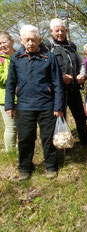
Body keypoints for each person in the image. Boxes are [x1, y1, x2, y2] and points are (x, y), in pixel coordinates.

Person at [5, 25, 63, 180]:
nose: (30, 43)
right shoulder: (16, 58)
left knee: (48, 138)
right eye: (27, 40)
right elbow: (11, 83)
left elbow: (57, 83)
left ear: (39, 40)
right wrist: (10, 105)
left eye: (33, 39)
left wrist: (58, 106)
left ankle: (51, 167)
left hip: (47, 105)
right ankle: (24, 168)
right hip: (24, 106)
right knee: (25, 138)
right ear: (21, 40)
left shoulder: (49, 57)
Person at [44, 18, 87, 145]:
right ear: (51, 31)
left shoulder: (72, 45)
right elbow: (44, 68)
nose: (60, 33)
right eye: (57, 31)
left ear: (66, 30)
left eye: (62, 30)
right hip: (58, 91)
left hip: (74, 88)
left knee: (80, 116)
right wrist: (61, 76)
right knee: (60, 117)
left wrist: (82, 74)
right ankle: (61, 142)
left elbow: (80, 63)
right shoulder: (46, 46)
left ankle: (85, 140)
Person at [0, 31, 17, 153]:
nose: (2, 45)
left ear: (12, 41)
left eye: (4, 42)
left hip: (23, 97)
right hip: (5, 98)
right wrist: (15, 75)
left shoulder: (20, 55)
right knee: (11, 127)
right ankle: (10, 153)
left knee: (24, 127)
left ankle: (23, 151)